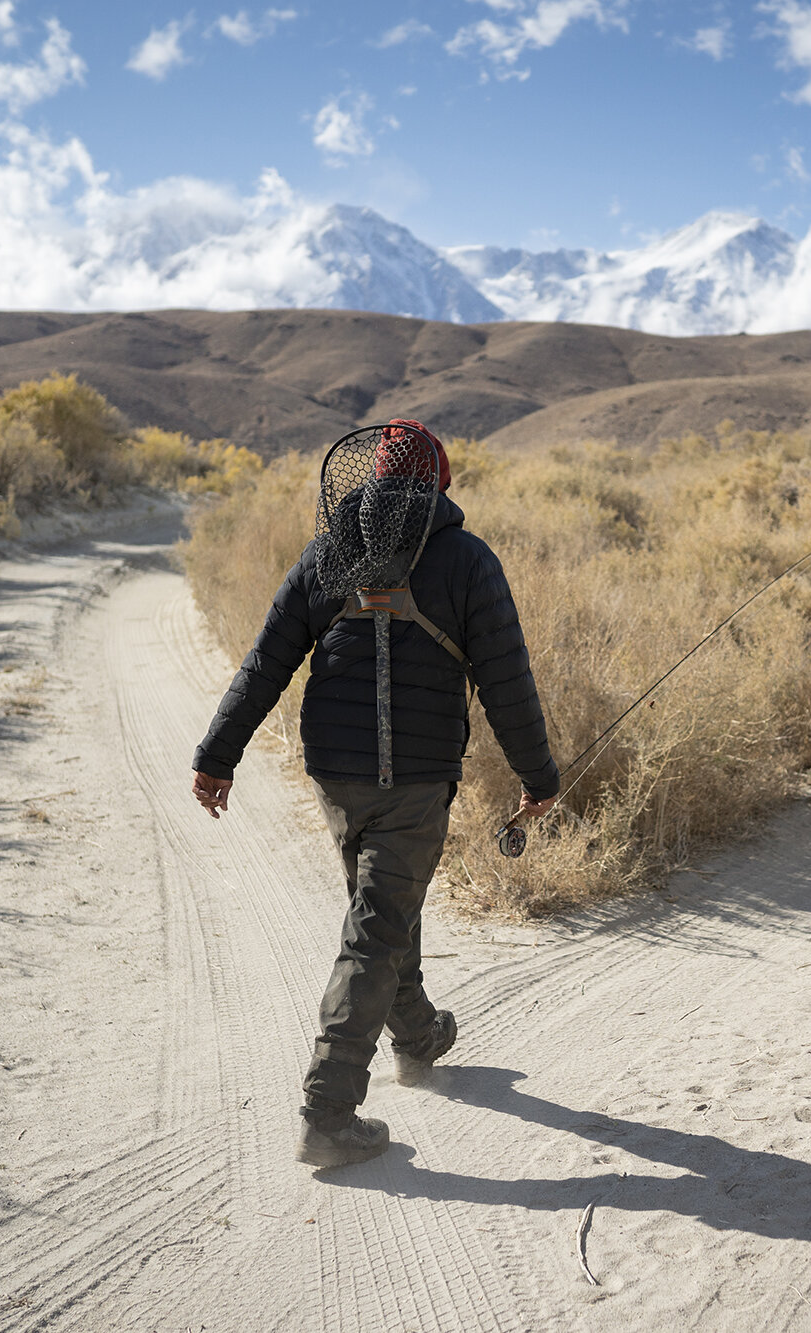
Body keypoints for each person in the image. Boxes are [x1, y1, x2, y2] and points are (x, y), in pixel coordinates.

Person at [189, 419, 559, 1169]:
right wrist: (539, 778)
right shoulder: (468, 561)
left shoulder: (329, 554)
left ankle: (418, 1036)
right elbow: (506, 682)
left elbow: (267, 661)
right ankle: (328, 1112)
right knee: (376, 928)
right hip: (417, 779)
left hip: (335, 776)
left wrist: (216, 754)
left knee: (382, 908)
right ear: (439, 485)